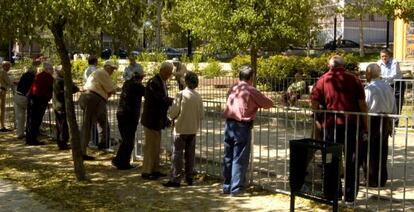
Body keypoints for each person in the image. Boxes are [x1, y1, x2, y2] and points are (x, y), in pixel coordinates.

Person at [310, 55, 368, 203]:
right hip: (352, 125)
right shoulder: (354, 79)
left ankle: (333, 194)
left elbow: (314, 105)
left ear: (330, 66)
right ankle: (350, 196)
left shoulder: (322, 80)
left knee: (331, 160)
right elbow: (362, 105)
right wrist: (366, 126)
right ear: (344, 65)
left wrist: (320, 116)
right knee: (352, 161)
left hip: (330, 126)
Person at [222, 65, 274, 196]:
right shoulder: (250, 90)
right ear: (251, 77)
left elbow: (227, 98)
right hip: (241, 126)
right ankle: (236, 188)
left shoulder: (234, 87)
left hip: (229, 124)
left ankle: (227, 186)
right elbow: (268, 103)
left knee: (228, 156)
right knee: (239, 157)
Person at [163, 72, 204, 187]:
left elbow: (174, 111)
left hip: (180, 128)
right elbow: (201, 115)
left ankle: (176, 179)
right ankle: (189, 177)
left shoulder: (181, 94)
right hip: (193, 128)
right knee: (190, 155)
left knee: (177, 154)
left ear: (186, 81)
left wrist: (170, 118)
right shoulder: (198, 96)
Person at [362, 63, 396, 187]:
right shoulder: (388, 87)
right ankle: (381, 179)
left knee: (369, 149)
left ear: (369, 74)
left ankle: (371, 179)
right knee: (382, 149)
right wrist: (392, 122)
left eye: (366, 73)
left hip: (372, 119)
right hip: (385, 119)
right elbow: (393, 106)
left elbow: (365, 105)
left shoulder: (369, 88)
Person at [140, 61, 174, 180]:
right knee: (150, 147)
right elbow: (159, 99)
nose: (170, 75)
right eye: (169, 73)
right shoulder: (154, 82)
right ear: (163, 71)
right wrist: (173, 101)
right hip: (151, 119)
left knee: (156, 146)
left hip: (156, 120)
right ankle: (147, 171)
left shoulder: (160, 81)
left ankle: (154, 169)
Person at [79, 60, 117, 160]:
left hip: (93, 97)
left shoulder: (97, 72)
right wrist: (113, 90)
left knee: (100, 120)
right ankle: (82, 151)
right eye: (112, 69)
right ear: (107, 67)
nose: (112, 71)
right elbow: (111, 89)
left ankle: (102, 144)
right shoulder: (103, 73)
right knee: (88, 124)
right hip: (93, 97)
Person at [112, 71, 145, 170]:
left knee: (125, 139)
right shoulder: (136, 86)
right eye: (141, 78)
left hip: (121, 113)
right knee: (129, 140)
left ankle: (118, 160)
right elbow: (148, 92)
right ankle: (123, 163)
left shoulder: (127, 84)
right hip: (129, 115)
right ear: (139, 78)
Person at [26, 62, 54, 145]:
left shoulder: (39, 75)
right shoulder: (48, 77)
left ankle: (29, 138)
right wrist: (48, 97)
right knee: (36, 120)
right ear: (47, 69)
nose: (52, 70)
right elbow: (50, 89)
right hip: (39, 99)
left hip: (32, 98)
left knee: (31, 119)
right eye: (51, 69)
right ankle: (33, 139)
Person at [52, 65, 79, 150]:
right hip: (61, 105)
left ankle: (61, 142)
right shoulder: (61, 80)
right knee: (63, 125)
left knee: (60, 125)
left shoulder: (56, 79)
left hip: (57, 105)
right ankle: (63, 142)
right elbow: (74, 89)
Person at [14, 59, 39, 138]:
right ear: (34, 72)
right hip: (24, 97)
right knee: (32, 114)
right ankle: (31, 131)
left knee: (20, 116)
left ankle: (20, 133)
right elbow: (31, 88)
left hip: (17, 95)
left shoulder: (24, 75)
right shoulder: (32, 77)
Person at [378, 49, 405, 125]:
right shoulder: (379, 63)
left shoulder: (394, 62)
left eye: (385, 56)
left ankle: (395, 123)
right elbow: (377, 73)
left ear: (389, 56)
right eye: (382, 56)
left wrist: (382, 78)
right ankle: (387, 122)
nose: (384, 58)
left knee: (397, 103)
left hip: (397, 84)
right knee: (386, 103)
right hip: (386, 84)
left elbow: (393, 75)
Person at [0, 61, 13, 131]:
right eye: (8, 66)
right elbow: (9, 82)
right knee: (2, 108)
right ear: (4, 66)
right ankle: (2, 126)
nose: (9, 68)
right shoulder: (3, 72)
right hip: (2, 90)